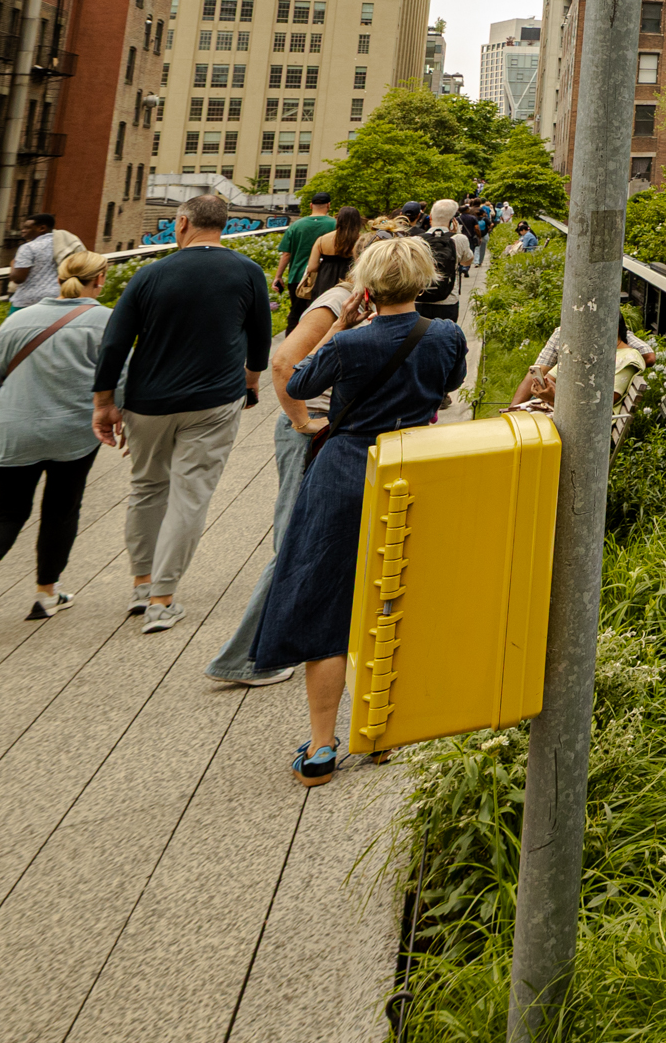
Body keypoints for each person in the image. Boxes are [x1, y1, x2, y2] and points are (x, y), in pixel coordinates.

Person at [249, 235, 464, 783]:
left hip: (344, 472)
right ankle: (385, 732)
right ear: (424, 280)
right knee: (396, 597)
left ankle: (322, 748)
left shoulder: (349, 343)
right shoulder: (446, 334)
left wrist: (341, 326)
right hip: (411, 468)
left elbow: (298, 379)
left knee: (326, 602)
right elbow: (452, 382)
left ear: (366, 286)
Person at [204, 233, 392, 688]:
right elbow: (284, 362)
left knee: (303, 540)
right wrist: (302, 420)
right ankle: (246, 659)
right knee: (293, 542)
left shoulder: (369, 302)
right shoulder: (336, 302)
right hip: (313, 432)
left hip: (333, 430)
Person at [90, 192, 272, 636]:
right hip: (213, 402)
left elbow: (114, 343)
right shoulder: (247, 271)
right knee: (190, 495)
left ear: (183, 223)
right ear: (223, 225)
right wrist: (250, 383)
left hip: (148, 403)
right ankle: (163, 600)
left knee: (147, 488)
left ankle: (141, 584)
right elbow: (260, 339)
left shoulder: (150, 274)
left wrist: (104, 403)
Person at [0, 245, 116, 636]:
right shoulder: (107, 321)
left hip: (13, 430)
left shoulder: (18, 320)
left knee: (4, 513)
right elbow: (118, 377)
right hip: (72, 433)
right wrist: (118, 416)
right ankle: (45, 593)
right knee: (61, 511)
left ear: (59, 278)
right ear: (100, 279)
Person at [276, 193, 337, 306]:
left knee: (297, 313)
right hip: (325, 278)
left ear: (311, 205)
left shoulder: (295, 225)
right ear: (328, 205)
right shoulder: (336, 225)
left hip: (298, 278)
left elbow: (286, 255)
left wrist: (278, 276)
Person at [422, 198, 470, 319]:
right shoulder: (459, 239)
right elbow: (467, 261)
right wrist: (457, 232)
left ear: (430, 217)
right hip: (448, 299)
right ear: (454, 220)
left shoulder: (415, 240)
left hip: (420, 298)